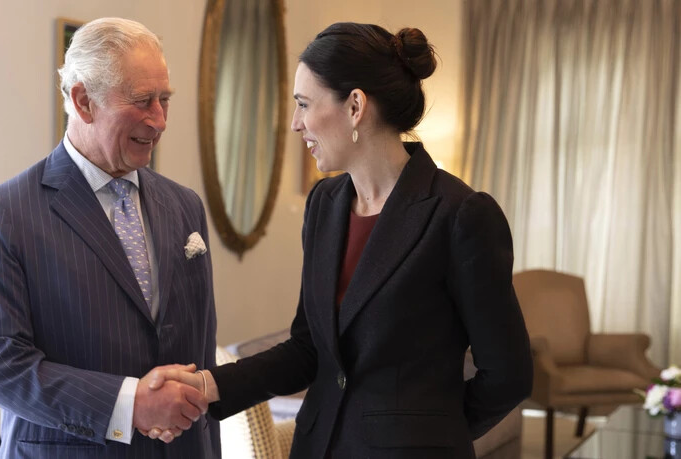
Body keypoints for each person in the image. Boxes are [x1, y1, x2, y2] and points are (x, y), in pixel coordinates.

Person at [153, 22, 533, 458]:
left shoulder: (461, 214)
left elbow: (509, 374)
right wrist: (209, 385)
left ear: (355, 106)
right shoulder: (324, 204)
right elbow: (308, 348)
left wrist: (428, 434)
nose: (295, 124)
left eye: (304, 104)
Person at [0, 17, 220, 457]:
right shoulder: (4, 214)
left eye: (165, 100)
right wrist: (128, 405)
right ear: (83, 101)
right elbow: (1, 367)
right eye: (142, 101)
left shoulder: (186, 205)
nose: (159, 120)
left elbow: (200, 346)